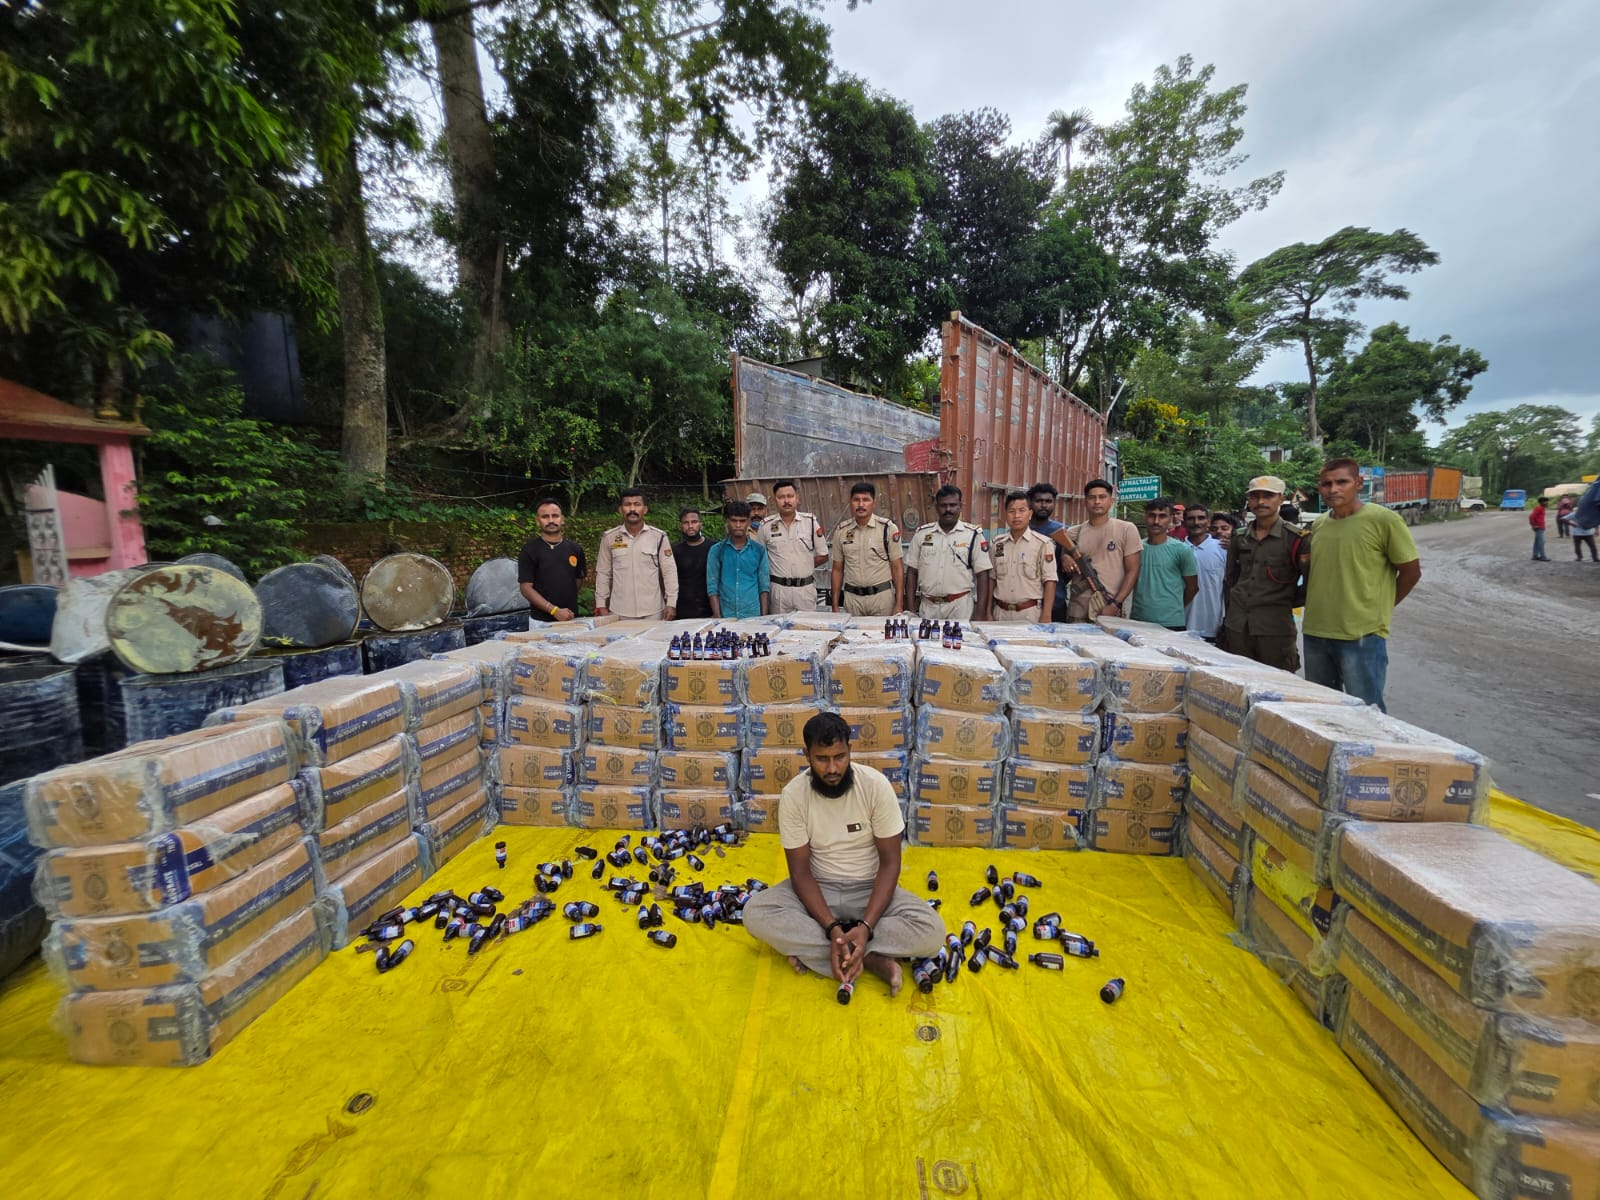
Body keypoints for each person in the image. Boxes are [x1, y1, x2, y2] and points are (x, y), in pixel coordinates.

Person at [742, 712, 945, 998]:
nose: (832, 768)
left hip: (870, 889)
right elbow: (800, 873)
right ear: (807, 756)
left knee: (932, 932)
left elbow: (890, 864)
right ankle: (870, 959)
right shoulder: (794, 795)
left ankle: (828, 952)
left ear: (850, 751)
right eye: (822, 759)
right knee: (755, 913)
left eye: (839, 756)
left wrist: (866, 926)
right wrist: (831, 928)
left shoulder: (875, 787)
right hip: (818, 890)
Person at [1300, 458, 1421, 710]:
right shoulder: (1320, 524)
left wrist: (1381, 608)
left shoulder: (1384, 520)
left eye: (1341, 482)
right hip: (1316, 632)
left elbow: (1411, 572)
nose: (1333, 489)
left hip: (1362, 634)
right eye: (1326, 484)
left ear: (1358, 482)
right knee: (1322, 710)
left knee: (1367, 713)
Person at [1221, 476, 1305, 672]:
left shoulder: (1295, 539)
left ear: (1281, 499)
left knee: (1278, 685)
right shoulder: (1239, 537)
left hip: (1274, 629)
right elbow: (1231, 579)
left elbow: (1309, 586)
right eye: (1255, 496)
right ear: (1248, 501)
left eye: (1268, 496)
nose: (1260, 502)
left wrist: (1281, 601)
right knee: (1238, 683)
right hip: (1238, 626)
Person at [904, 484, 992, 622]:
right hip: (928, 606)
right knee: (927, 643)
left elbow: (982, 575)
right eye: (943, 505)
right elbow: (911, 572)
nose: (948, 509)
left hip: (960, 607)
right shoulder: (922, 534)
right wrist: (909, 609)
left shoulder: (973, 535)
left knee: (959, 643)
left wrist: (980, 611)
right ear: (936, 507)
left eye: (953, 505)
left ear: (960, 506)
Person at [1063, 478, 1142, 622]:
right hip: (1078, 609)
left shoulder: (1126, 529)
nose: (1097, 501)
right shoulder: (1074, 532)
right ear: (1085, 502)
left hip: (1109, 607)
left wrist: (1115, 604)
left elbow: (1133, 571)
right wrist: (1065, 558)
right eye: (1092, 498)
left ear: (1111, 501)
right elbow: (1064, 555)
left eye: (1102, 497)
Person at [594, 488, 678, 620]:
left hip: (653, 611)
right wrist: (601, 604)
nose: (632, 509)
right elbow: (603, 573)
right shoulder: (609, 538)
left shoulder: (659, 537)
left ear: (645, 509)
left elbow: (669, 571)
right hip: (620, 612)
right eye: (627, 504)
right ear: (620, 509)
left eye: (637, 504)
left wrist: (671, 603)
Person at [829, 481, 904, 616]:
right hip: (853, 600)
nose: (861, 504)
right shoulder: (841, 531)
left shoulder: (887, 529)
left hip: (881, 599)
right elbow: (837, 569)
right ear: (850, 503)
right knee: (851, 636)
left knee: (882, 636)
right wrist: (834, 606)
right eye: (856, 500)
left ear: (873, 503)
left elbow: (897, 568)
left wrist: (899, 603)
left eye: (866, 500)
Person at [757, 479, 828, 614]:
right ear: (774, 500)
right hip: (778, 591)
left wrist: (804, 565)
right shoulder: (766, 526)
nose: (786, 501)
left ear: (797, 498)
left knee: (806, 631)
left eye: (790, 496)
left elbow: (823, 555)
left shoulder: (810, 522)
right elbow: (760, 559)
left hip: (805, 590)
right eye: (781, 497)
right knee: (778, 630)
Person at [987, 491, 1058, 622]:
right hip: (1000, 613)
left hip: (1029, 614)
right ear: (1005, 515)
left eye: (1022, 510)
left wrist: (1046, 615)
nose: (1016, 516)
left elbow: (1050, 581)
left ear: (1030, 514)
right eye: (1011, 511)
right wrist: (988, 612)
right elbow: (992, 579)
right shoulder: (997, 544)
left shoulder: (1043, 544)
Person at [1129, 497, 1197, 631]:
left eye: (1162, 516)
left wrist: (1173, 608)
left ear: (1171, 519)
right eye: (1152, 516)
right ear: (1145, 517)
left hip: (1172, 623)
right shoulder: (1135, 549)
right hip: (1138, 621)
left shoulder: (1182, 550)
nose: (1156, 521)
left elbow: (1193, 587)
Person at [517, 497, 586, 625]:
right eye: (545, 517)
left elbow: (578, 580)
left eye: (555, 516)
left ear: (562, 519)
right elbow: (526, 588)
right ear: (538, 521)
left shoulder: (575, 549)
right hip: (540, 622)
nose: (551, 520)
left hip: (570, 618)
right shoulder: (529, 551)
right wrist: (554, 610)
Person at [707, 500, 771, 619]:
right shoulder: (716, 551)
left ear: (748, 521)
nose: (738, 525)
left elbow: (764, 586)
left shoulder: (759, 550)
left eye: (742, 521)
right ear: (727, 521)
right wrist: (717, 616)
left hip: (753, 615)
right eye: (734, 520)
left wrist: (763, 618)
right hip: (726, 616)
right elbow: (712, 586)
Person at [1181, 502, 1226, 641]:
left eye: (1201, 518)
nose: (1196, 522)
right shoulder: (1177, 549)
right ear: (1184, 522)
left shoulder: (1223, 549)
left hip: (1213, 627)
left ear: (1208, 522)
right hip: (1181, 626)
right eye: (1191, 518)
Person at [1028, 482, 1071, 622]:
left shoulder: (1064, 532)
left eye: (1048, 501)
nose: (1044, 505)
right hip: (1026, 604)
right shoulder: (1020, 530)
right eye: (1039, 501)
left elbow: (1069, 571)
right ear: (1030, 503)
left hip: (1055, 603)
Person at [672, 508, 714, 620]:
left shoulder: (714, 548)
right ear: (681, 526)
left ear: (701, 524)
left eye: (694, 522)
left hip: (710, 610)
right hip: (682, 611)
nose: (690, 526)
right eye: (686, 523)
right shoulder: (675, 551)